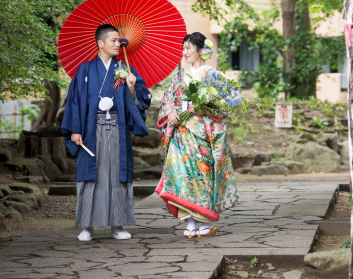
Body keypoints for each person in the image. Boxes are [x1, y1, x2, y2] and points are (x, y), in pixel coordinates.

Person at [61, 23, 152, 241]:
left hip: (117, 130)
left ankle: (118, 225)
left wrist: (131, 87)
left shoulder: (125, 70)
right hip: (90, 130)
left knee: (116, 175)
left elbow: (142, 101)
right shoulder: (84, 70)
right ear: (100, 43)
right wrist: (74, 129)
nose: (118, 44)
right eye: (113, 40)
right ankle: (87, 226)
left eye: (119, 41)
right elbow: (73, 100)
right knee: (91, 175)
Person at [156, 32, 239, 238]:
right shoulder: (179, 76)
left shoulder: (213, 75)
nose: (185, 53)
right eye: (183, 49)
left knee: (202, 176)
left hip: (203, 133)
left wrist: (206, 110)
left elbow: (225, 104)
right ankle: (189, 220)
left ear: (200, 51)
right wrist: (171, 113)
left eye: (189, 49)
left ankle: (205, 220)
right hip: (181, 133)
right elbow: (168, 100)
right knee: (182, 176)